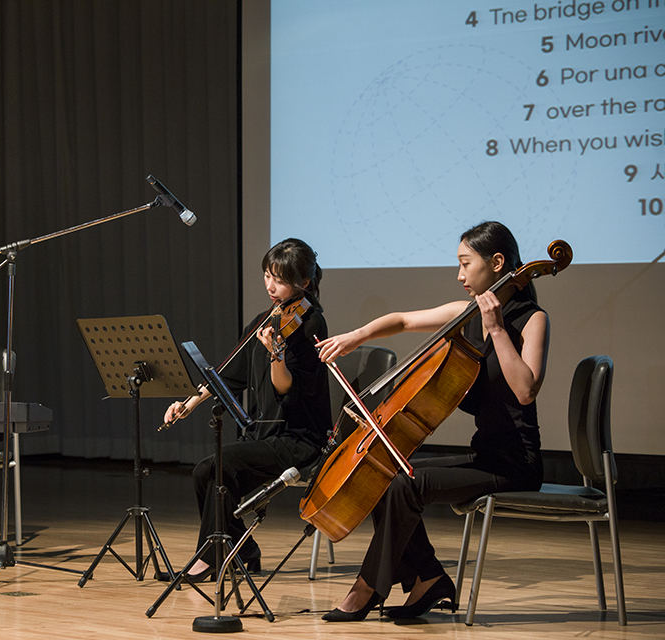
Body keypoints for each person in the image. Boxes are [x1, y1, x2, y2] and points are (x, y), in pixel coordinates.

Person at [314, 220, 548, 621]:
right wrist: (356, 336)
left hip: (516, 464)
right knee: (386, 473)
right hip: (484, 455)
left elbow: (525, 389)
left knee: (407, 485)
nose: (459, 275)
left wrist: (497, 330)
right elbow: (403, 320)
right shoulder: (465, 313)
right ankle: (427, 577)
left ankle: (368, 587)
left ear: (497, 263)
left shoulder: (532, 319)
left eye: (465, 264)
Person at [162, 238, 332, 582]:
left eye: (281, 280)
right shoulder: (263, 321)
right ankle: (242, 546)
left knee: (221, 466)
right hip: (263, 432)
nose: (271, 286)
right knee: (204, 471)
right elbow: (229, 377)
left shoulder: (311, 324)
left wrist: (276, 356)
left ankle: (211, 556)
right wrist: (188, 404)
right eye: (268, 275)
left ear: (304, 283)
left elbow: (288, 390)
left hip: (299, 437)